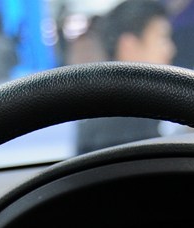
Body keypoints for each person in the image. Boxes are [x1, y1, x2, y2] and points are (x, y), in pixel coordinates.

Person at [75, 0, 176, 155]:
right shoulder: (129, 114)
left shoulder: (103, 103)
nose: (171, 50)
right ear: (128, 46)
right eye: (162, 38)